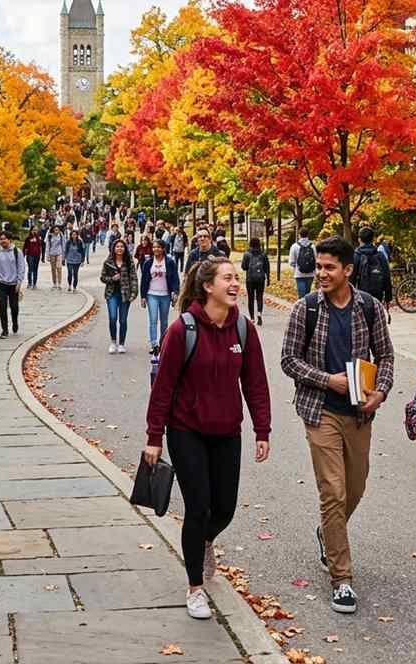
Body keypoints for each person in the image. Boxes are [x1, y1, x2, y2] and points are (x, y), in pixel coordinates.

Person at [144, 257, 271, 621]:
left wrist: (262, 429)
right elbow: (163, 389)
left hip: (227, 431)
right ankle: (195, 587)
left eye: (237, 278)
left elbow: (256, 384)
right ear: (208, 287)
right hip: (186, 431)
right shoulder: (182, 331)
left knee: (224, 509)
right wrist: (155, 437)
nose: (236, 284)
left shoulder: (244, 330)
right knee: (198, 507)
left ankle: (203, 541)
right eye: (228, 278)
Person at [280, 236, 394, 615]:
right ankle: (342, 579)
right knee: (333, 491)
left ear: (348, 270)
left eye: (330, 267)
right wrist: (327, 379)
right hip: (320, 411)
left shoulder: (370, 308)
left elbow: (387, 356)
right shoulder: (305, 309)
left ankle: (328, 535)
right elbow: (289, 361)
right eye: (319, 266)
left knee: (355, 489)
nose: (321, 274)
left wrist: (381, 391)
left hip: (360, 413)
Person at [140, 239, 180, 348]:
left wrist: (175, 292)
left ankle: (163, 342)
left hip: (165, 295)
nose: (155, 249)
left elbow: (175, 279)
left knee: (164, 321)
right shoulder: (148, 263)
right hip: (151, 294)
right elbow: (144, 280)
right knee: (153, 319)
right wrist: (143, 297)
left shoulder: (170, 262)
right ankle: (153, 344)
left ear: (163, 249)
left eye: (158, 247)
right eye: (154, 247)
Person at [101, 238, 139, 353]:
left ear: (125, 248)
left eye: (122, 247)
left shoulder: (128, 261)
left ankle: (121, 344)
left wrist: (134, 293)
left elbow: (133, 277)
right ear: (113, 248)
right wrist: (112, 279)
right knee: (113, 318)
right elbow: (102, 277)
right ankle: (113, 342)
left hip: (125, 294)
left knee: (123, 320)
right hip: (111, 294)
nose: (119, 249)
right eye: (117, 247)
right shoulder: (108, 262)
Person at [0, 230, 26, 338]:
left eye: (4, 239)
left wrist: (19, 282)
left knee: (14, 307)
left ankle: (15, 322)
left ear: (9, 240)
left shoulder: (17, 252)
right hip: (1, 283)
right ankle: (4, 330)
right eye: (0, 239)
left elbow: (21, 267)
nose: (3, 241)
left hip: (14, 284)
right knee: (2, 307)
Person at [351, 227, 393, 307]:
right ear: (373, 239)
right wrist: (388, 298)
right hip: (377, 295)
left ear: (359, 239)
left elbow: (351, 278)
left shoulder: (356, 256)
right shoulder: (380, 255)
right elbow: (387, 276)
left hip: (361, 295)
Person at [240, 237, 270, 326]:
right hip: (260, 278)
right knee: (260, 296)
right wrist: (268, 278)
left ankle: (252, 318)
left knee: (251, 298)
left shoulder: (247, 254)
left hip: (250, 279)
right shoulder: (263, 254)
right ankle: (259, 313)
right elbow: (266, 267)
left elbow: (244, 267)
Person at [288, 227, 317, 298]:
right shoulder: (313, 246)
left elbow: (291, 262)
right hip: (310, 274)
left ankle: (301, 308)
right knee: (307, 294)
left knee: (301, 296)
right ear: (308, 235)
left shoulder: (294, 246)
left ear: (299, 235)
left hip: (299, 274)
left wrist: (297, 267)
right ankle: (307, 308)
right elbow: (316, 260)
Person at [46, 224, 65, 291]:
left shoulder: (61, 235)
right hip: (52, 254)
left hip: (59, 253)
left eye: (58, 230)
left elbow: (63, 244)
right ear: (53, 230)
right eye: (55, 230)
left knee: (59, 268)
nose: (57, 231)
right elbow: (47, 246)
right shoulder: (50, 236)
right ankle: (54, 283)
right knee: (53, 269)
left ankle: (59, 283)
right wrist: (47, 255)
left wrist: (63, 255)